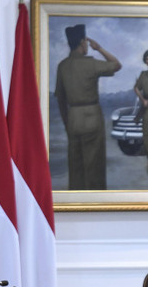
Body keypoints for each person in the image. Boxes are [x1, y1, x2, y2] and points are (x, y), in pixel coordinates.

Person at [55, 24, 122, 190]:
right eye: (85, 42)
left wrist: (67, 123)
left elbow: (61, 100)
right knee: (94, 167)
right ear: (82, 42)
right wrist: (99, 48)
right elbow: (116, 65)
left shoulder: (62, 66)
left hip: (73, 119)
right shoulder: (91, 64)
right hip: (91, 116)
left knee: (75, 168)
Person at [134, 50, 148, 163]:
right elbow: (136, 88)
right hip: (146, 109)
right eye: (147, 59)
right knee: (146, 134)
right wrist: (143, 100)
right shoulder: (143, 74)